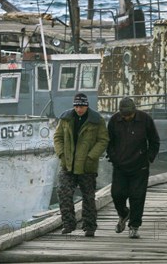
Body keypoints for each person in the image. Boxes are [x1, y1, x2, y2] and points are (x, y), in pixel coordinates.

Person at [53, 93, 109, 237]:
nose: (79, 109)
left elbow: (103, 140)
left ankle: (89, 227)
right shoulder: (65, 118)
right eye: (77, 106)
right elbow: (57, 137)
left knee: (88, 197)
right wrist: (61, 155)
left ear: (87, 106)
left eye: (82, 106)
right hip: (68, 165)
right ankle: (68, 224)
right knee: (63, 193)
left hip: (87, 166)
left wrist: (91, 156)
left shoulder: (96, 120)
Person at [106, 97, 160, 239]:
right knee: (117, 194)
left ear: (134, 111)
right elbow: (108, 142)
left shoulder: (145, 119)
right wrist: (113, 157)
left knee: (137, 196)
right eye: (124, 115)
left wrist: (149, 157)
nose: (127, 117)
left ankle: (134, 226)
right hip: (120, 165)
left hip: (140, 166)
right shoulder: (114, 121)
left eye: (130, 114)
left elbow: (154, 140)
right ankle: (124, 213)